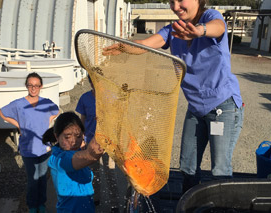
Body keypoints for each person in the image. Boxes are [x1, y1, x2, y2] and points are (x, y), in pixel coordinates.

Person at [103, 0, 244, 192]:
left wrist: (199, 31)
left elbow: (218, 28)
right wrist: (125, 46)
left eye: (180, 0)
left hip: (223, 106)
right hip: (195, 108)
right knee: (187, 165)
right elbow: (145, 44)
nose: (176, 6)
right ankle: (190, 202)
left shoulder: (210, 17)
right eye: (171, 1)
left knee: (220, 169)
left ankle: (224, 206)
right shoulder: (172, 31)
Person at [0, 72, 59, 213]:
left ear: (41, 86)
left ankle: (41, 204)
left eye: (36, 85)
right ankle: (32, 205)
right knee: (33, 180)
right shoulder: (19, 104)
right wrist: (18, 124)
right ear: (26, 86)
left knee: (43, 178)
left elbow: (56, 110)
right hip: (28, 148)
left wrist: (49, 119)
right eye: (30, 85)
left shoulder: (46, 102)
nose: (33, 88)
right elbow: (1, 113)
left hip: (45, 147)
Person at [75, 76, 120, 211]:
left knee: (110, 173)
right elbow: (82, 119)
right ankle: (95, 199)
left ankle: (115, 204)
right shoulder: (84, 98)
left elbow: (117, 120)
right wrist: (80, 138)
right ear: (90, 82)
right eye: (92, 81)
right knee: (93, 174)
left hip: (108, 142)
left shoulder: (111, 97)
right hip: (90, 142)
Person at [47, 111, 104, 213]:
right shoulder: (58, 159)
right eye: (67, 137)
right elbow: (91, 155)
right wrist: (104, 126)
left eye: (78, 136)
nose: (73, 141)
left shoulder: (77, 151)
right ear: (56, 136)